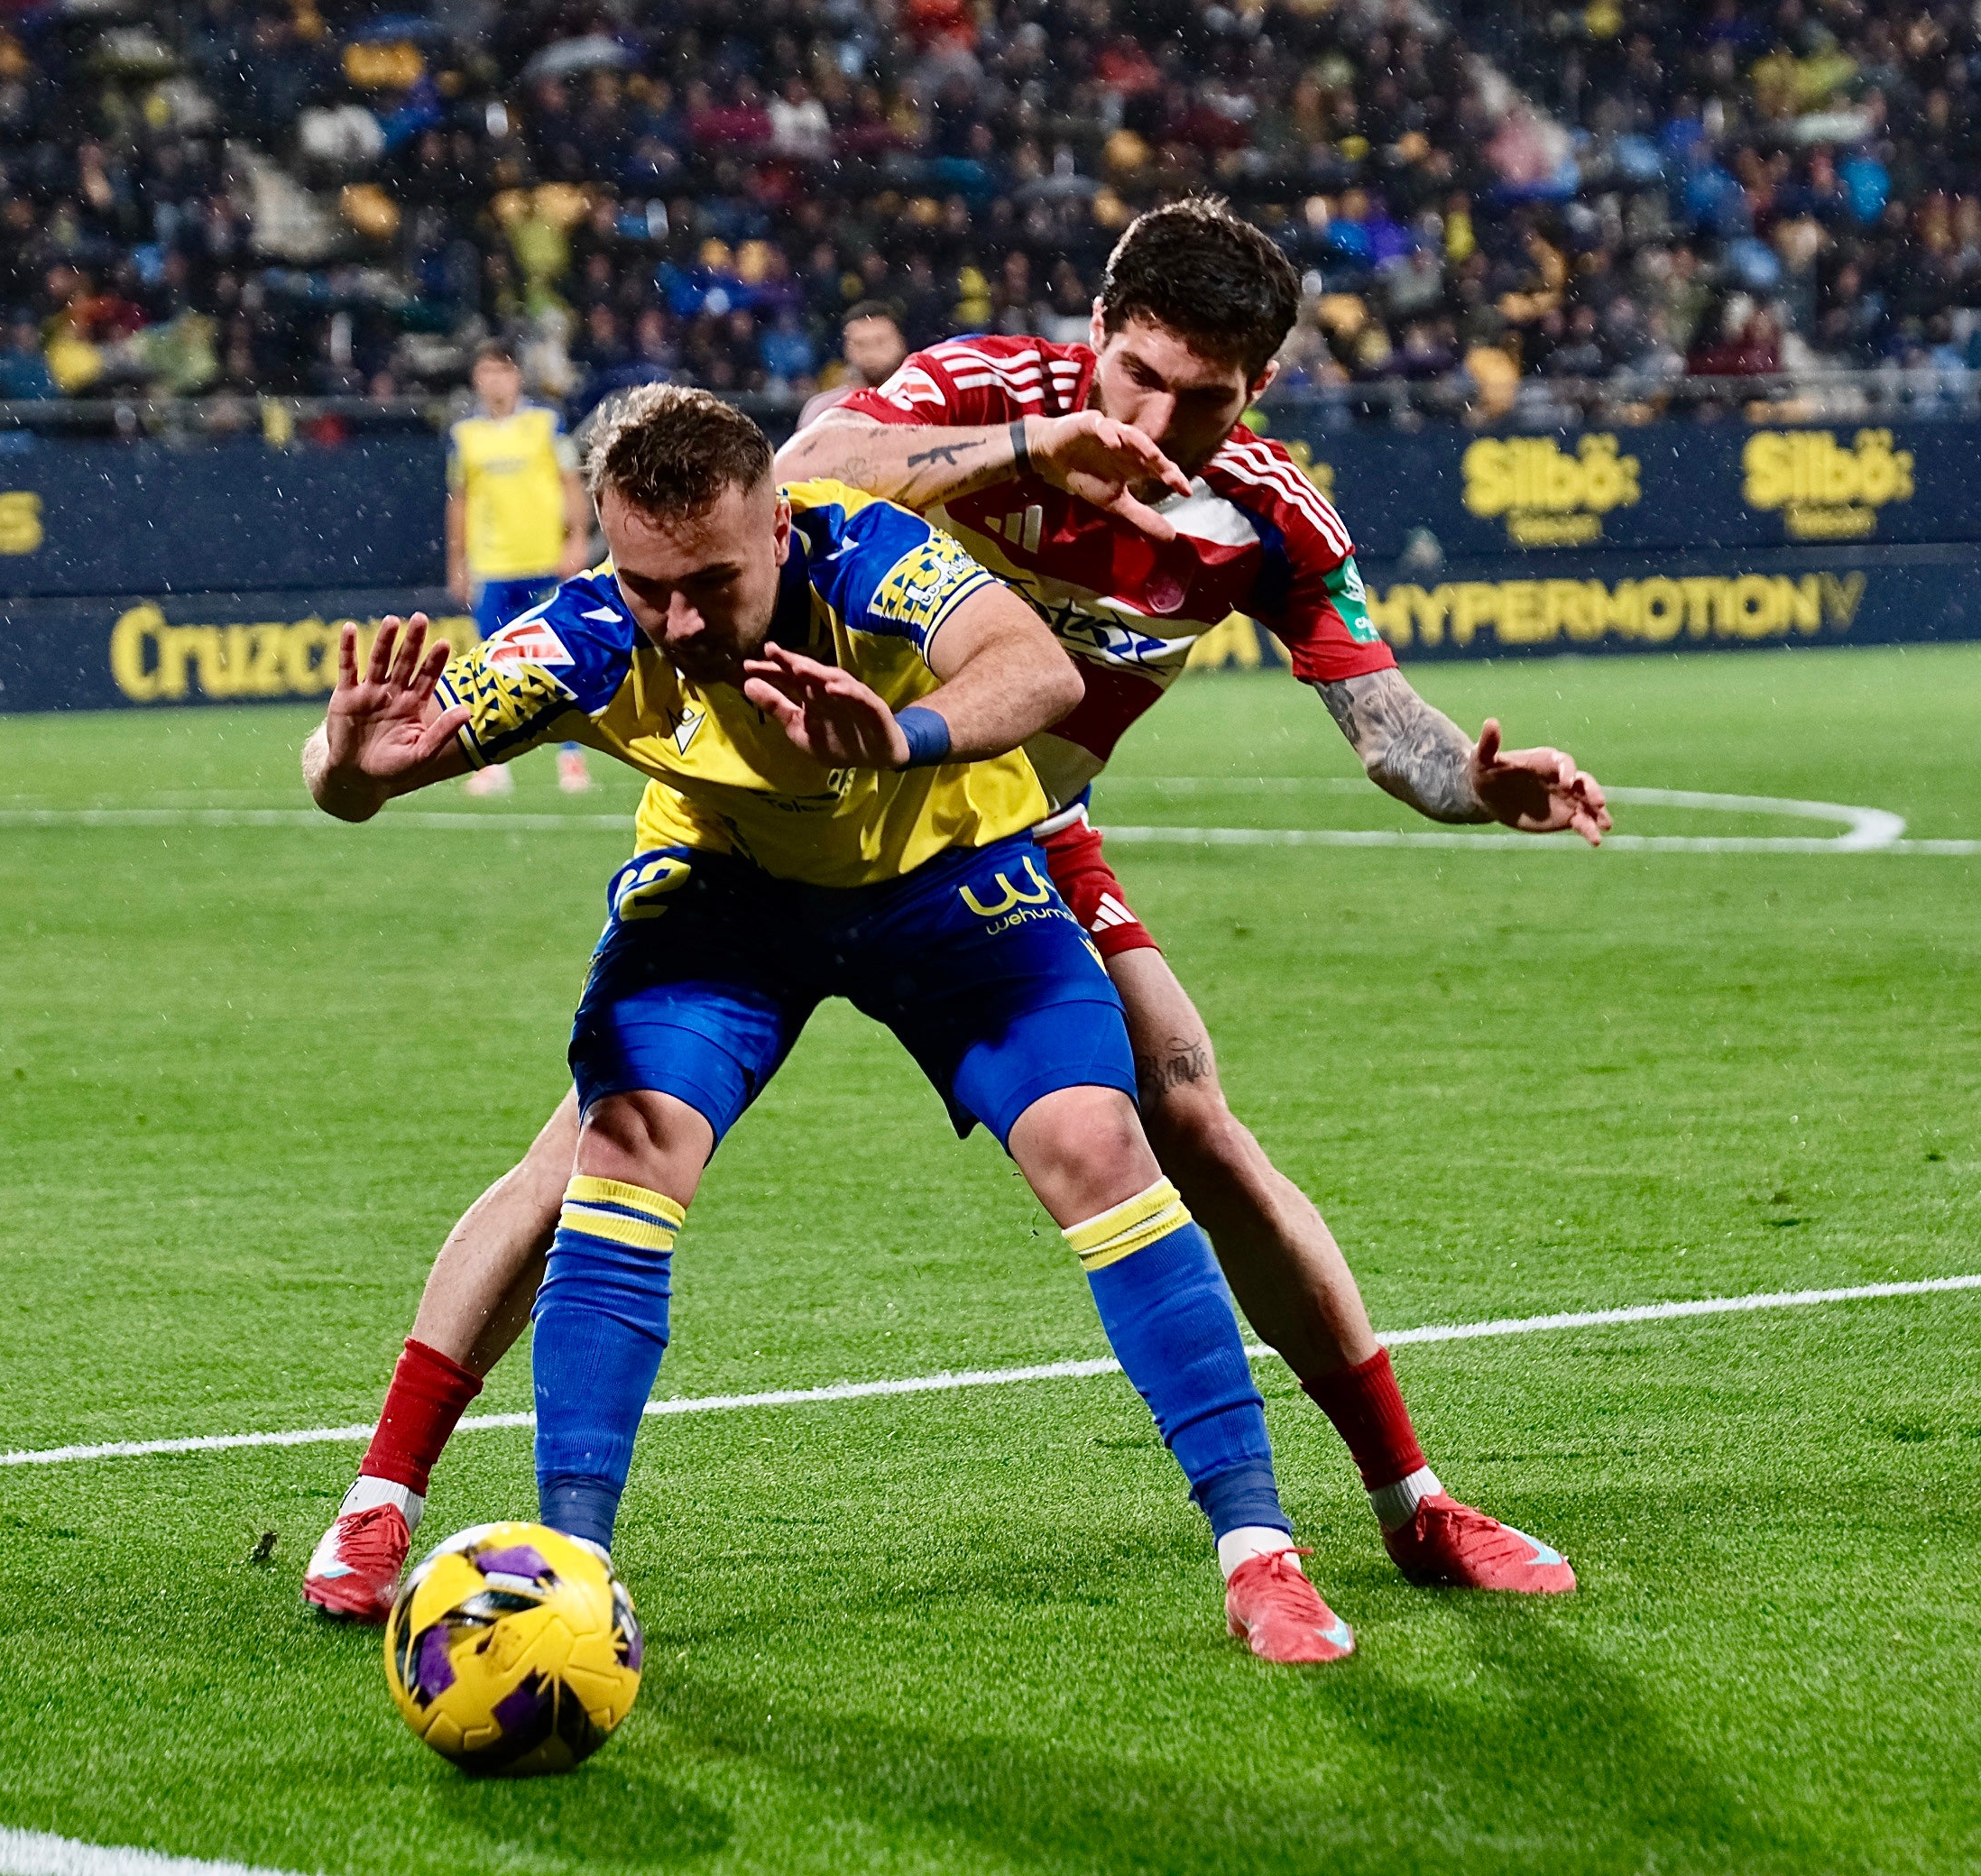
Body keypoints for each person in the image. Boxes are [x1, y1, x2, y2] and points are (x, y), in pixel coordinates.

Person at [336, 198, 1608, 1600]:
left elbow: (1390, 734)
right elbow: (804, 467)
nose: (1166, 419)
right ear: (1098, 333)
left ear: (1262, 390)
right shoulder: (986, 391)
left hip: (998, 829)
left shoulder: (1263, 515)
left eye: (1209, 399)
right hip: (758, 816)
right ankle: (384, 1494)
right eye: (1141, 377)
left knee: (1184, 1111)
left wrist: (1477, 789)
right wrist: (1024, 449)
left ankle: (1410, 1500)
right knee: (593, 1145)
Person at [301, 386, 1357, 1663]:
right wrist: (349, 770)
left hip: (945, 878)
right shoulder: (582, 632)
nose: (679, 621)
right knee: (620, 1148)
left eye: (710, 584)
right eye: (647, 585)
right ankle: (558, 1565)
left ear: (780, 531)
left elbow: (1033, 666)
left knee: (1101, 1143)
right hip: (732, 897)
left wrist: (906, 733)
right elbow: (363, 775)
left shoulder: (870, 552)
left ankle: (1260, 1555)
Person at [445, 339, 593, 797]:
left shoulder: (546, 424)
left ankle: (571, 757)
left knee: (557, 660)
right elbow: (460, 501)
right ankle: (492, 763)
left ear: (516, 377)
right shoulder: (465, 437)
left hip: (544, 561)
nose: (496, 380)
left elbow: (572, 482)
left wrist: (577, 539)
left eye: (504, 371)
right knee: (489, 666)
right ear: (477, 379)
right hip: (493, 565)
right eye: (488, 371)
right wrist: (457, 562)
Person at [796, 300, 911, 429]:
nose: (871, 352)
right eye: (860, 344)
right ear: (846, 349)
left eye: (880, 341)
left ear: (901, 343)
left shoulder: (929, 403)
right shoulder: (824, 410)